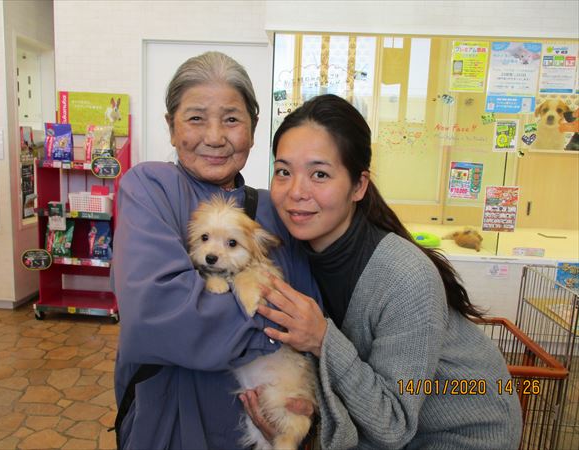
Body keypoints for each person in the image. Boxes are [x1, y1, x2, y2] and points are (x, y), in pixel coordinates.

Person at [241, 94, 523, 449]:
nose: (296, 191)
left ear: (359, 185)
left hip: (462, 437)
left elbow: (392, 425)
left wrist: (322, 339)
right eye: (284, 171)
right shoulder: (293, 248)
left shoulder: (405, 276)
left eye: (319, 174)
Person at [112, 51, 319, 450]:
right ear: (171, 127)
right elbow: (155, 316)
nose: (214, 136)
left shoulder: (276, 211)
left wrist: (305, 406)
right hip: (170, 425)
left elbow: (313, 311)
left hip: (264, 427)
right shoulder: (150, 189)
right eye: (195, 118)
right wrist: (281, 333)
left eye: (231, 119)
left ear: (253, 129)